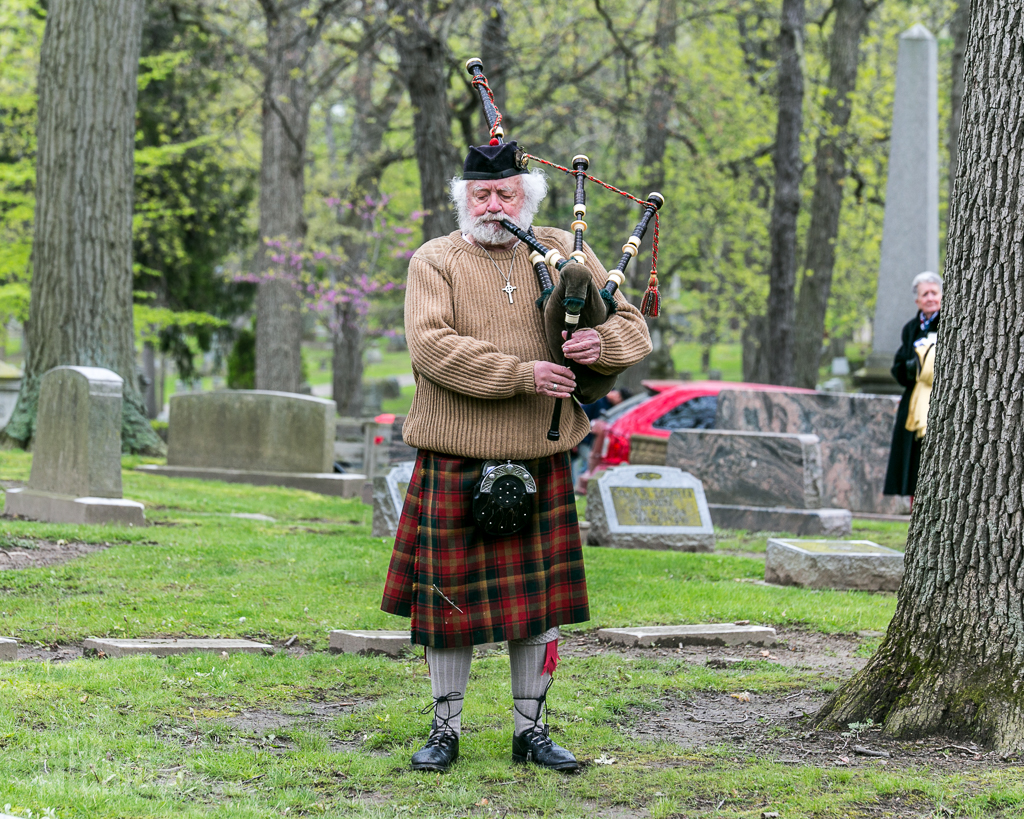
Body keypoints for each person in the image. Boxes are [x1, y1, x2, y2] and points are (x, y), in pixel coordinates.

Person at [380, 141, 652, 773]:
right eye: (481, 194)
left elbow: (632, 328)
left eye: (506, 195)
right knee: (450, 609)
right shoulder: (436, 260)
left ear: (528, 199)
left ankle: (531, 731)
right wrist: (521, 374)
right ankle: (444, 729)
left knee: (537, 611)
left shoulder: (563, 253)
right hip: (458, 453)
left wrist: (597, 342)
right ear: (463, 199)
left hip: (541, 455)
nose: (493, 205)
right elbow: (430, 348)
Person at [883, 271, 942, 497]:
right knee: (912, 456)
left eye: (934, 293)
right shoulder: (910, 328)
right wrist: (911, 368)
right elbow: (898, 366)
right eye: (924, 294)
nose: (930, 298)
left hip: (937, 400)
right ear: (917, 300)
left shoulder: (951, 323)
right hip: (914, 401)